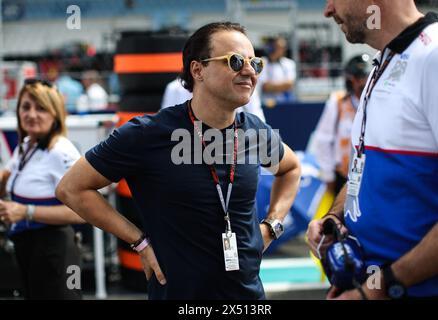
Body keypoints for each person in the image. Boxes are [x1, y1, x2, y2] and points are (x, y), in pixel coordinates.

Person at [56, 22, 301, 300]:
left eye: (254, 63)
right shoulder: (149, 134)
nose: (249, 71)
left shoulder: (254, 131)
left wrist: (272, 226)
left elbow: (291, 169)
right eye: (235, 61)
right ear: (198, 70)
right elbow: (72, 188)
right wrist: (139, 242)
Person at [306, 0, 438, 299]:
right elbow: (363, 168)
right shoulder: (383, 62)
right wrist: (335, 219)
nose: (328, 10)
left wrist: (385, 286)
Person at [0, 79, 85, 299]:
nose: (32, 114)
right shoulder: (27, 145)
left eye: (41, 108)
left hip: (57, 251)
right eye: (26, 107)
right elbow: (7, 178)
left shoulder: (61, 150)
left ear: (55, 114)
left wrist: (26, 211)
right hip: (29, 249)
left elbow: (82, 213)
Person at [313, 54, 371, 194]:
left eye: (367, 76)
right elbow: (323, 139)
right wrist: (328, 175)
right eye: (360, 77)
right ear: (350, 80)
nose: (364, 82)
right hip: (343, 176)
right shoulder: (338, 102)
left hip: (372, 174)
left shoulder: (379, 102)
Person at [161, 77, 267, 122]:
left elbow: (259, 122)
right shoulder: (174, 88)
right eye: (228, 61)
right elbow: (167, 123)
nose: (248, 70)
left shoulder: (246, 87)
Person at [258, 36, 297, 106]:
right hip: (266, 103)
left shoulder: (289, 63)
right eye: (277, 47)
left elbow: (289, 85)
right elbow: (264, 86)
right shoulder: (263, 61)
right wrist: (281, 86)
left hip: (286, 103)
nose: (280, 50)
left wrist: (271, 86)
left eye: (283, 48)